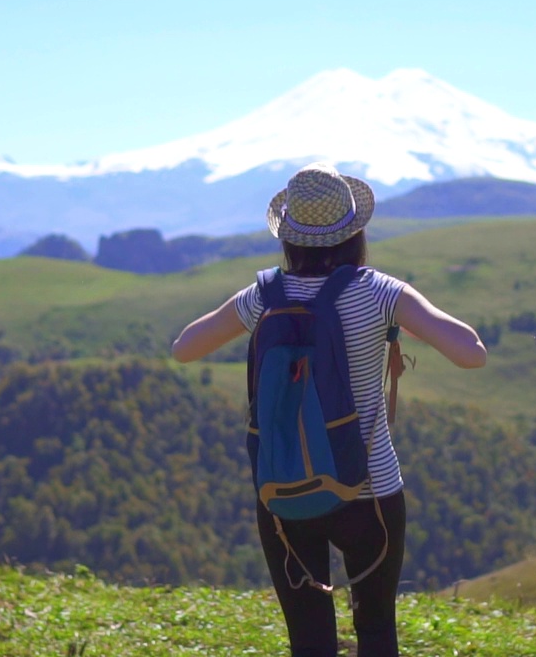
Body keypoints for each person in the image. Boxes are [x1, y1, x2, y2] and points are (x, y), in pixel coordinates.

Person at [171, 162, 486, 657]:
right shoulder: (379, 291)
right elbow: (472, 353)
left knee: (310, 641)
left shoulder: (264, 294)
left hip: (284, 484)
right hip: (370, 486)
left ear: (289, 237)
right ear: (354, 231)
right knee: (377, 629)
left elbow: (185, 347)